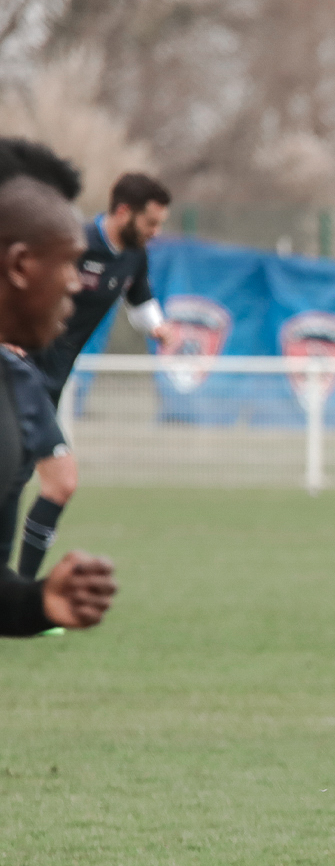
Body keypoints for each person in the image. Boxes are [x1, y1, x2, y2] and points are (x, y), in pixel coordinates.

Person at [0, 172, 170, 582]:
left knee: (32, 482)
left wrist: (161, 328)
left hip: (53, 382)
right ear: (123, 211)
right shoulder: (72, 242)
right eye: (151, 223)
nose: (156, 232)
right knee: (51, 481)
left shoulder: (134, 254)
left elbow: (139, 298)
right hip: (22, 374)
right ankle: (18, 596)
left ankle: (17, 597)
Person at [0, 137, 118, 635]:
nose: (77, 284)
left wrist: (37, 604)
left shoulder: (11, 388)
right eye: (69, 262)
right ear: (21, 265)